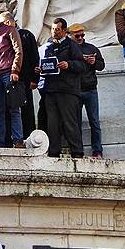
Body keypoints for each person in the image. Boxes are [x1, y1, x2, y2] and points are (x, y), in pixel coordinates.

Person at [37, 18, 84, 158]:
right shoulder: (49, 47)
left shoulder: (72, 45)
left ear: (64, 31)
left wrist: (68, 64)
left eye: (57, 29)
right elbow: (48, 66)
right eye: (52, 29)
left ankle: (77, 152)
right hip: (51, 90)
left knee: (70, 122)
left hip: (67, 90)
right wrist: (40, 70)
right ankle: (53, 151)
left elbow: (82, 65)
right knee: (52, 123)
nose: (54, 32)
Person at [0, 8, 24, 148]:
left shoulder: (9, 30)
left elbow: (18, 50)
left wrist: (15, 70)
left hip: (8, 72)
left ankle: (18, 139)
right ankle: (0, 141)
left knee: (14, 107)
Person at [68, 24, 105, 158]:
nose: (80, 38)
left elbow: (101, 66)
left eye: (82, 35)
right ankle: (78, 150)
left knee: (94, 121)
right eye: (77, 36)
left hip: (90, 89)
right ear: (70, 35)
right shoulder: (68, 49)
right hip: (74, 89)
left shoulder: (91, 48)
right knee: (75, 123)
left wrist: (94, 62)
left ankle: (98, 150)